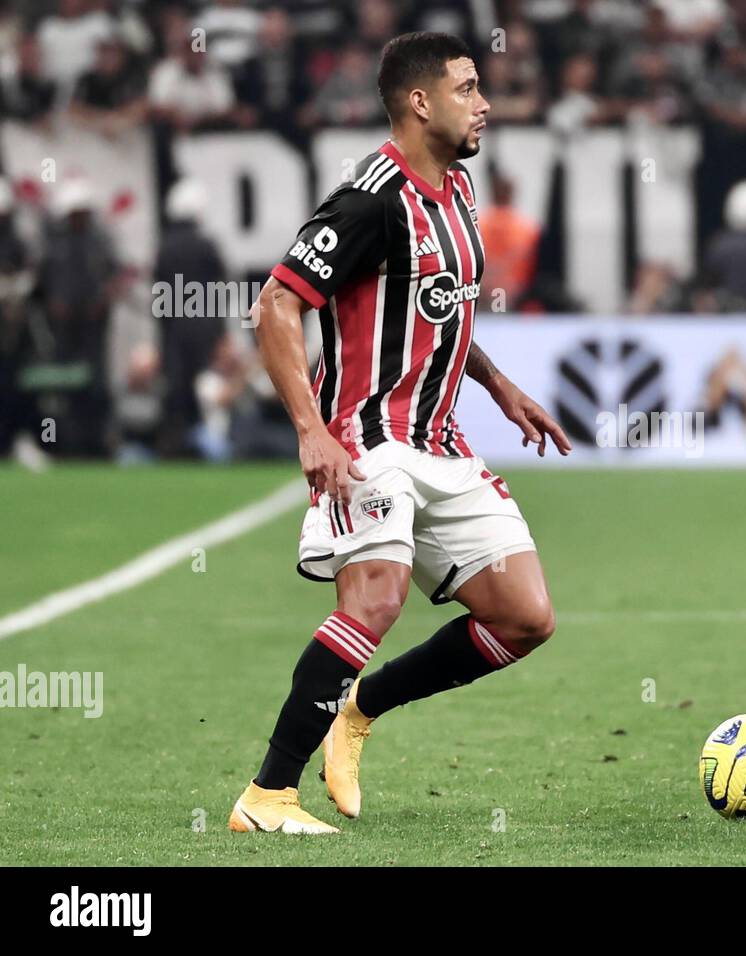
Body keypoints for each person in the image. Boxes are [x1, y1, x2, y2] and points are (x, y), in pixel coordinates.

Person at [229, 32, 571, 835]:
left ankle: (361, 707)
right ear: (421, 102)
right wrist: (312, 433)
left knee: (525, 617)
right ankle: (268, 795)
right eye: (469, 87)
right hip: (364, 438)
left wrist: (497, 382)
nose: (485, 103)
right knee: (376, 601)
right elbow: (276, 306)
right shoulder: (370, 199)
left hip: (439, 439)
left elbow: (440, 302)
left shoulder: (454, 191)